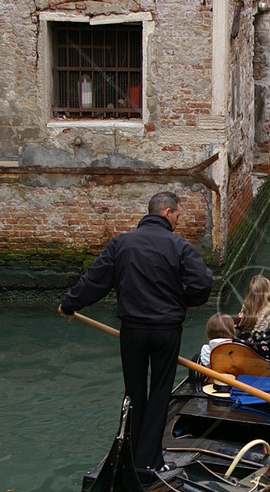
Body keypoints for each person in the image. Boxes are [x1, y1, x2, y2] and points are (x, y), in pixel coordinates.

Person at [58, 191, 212, 474]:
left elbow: (95, 281)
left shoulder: (120, 244)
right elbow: (203, 283)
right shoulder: (180, 247)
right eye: (178, 215)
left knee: (134, 393)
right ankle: (150, 461)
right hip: (166, 332)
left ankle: (130, 453)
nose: (179, 221)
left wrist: (70, 304)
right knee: (160, 393)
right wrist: (186, 302)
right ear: (166, 213)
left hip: (133, 332)